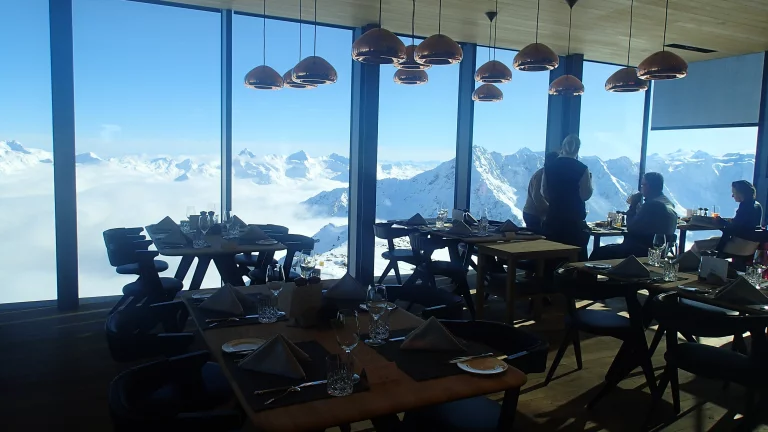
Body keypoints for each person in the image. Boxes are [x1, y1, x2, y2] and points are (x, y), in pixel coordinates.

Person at [590, 172, 678, 260]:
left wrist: (633, 204)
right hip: (659, 252)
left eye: (643, 185)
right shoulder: (668, 204)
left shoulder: (652, 205)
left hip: (639, 252)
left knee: (598, 253)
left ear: (650, 186)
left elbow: (631, 227)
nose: (641, 188)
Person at [541, 135, 593, 261]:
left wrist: (555, 201)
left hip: (554, 217)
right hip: (574, 220)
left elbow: (543, 191)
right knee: (573, 256)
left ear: (562, 148)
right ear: (578, 149)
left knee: (552, 256)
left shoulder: (549, 168)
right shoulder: (582, 168)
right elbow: (585, 195)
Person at [692, 180, 763, 254]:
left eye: (734, 193)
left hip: (739, 245)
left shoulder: (745, 207)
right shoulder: (757, 205)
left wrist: (720, 221)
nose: (732, 196)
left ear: (741, 193)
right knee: (712, 239)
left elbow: (733, 229)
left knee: (697, 246)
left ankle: (695, 265)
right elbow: (743, 225)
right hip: (750, 246)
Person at [522, 151, 559, 231]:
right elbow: (537, 197)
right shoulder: (541, 175)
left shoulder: (546, 173)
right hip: (534, 214)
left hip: (535, 214)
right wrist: (550, 212)